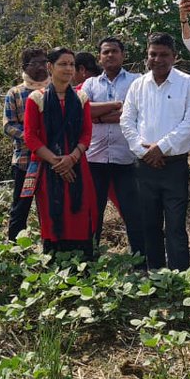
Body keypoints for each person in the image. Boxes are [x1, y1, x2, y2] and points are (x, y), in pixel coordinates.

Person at [120, 33, 190, 270]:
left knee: (175, 226)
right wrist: (145, 152)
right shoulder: (138, 85)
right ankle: (155, 276)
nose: (158, 59)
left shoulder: (187, 83)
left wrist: (161, 148)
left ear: (174, 57)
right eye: (153, 54)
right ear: (147, 56)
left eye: (164, 54)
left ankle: (178, 279)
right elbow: (127, 121)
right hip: (144, 167)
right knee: (149, 224)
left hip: (174, 165)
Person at [23, 48, 97, 259]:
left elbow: (86, 134)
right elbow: (30, 136)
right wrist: (57, 162)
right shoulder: (36, 99)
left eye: (71, 64)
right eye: (63, 64)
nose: (68, 68)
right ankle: (55, 264)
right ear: (50, 67)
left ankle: (82, 264)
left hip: (77, 167)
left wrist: (72, 158)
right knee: (53, 212)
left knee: (80, 212)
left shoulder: (81, 97)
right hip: (49, 168)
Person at [81, 37, 143, 253]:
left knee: (132, 209)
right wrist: (117, 107)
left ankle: (139, 259)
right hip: (95, 158)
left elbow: (135, 113)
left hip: (125, 158)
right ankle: (90, 256)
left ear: (123, 55)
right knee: (92, 211)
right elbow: (83, 111)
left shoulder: (136, 81)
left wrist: (99, 116)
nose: (110, 55)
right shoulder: (90, 83)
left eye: (114, 51)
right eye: (105, 52)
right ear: (99, 57)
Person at [2, 47, 49, 239]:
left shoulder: (54, 90)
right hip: (25, 160)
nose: (41, 67)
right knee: (21, 206)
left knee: (49, 205)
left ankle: (51, 244)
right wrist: (32, 137)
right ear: (24, 67)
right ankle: (13, 246)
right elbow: (8, 125)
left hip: (52, 160)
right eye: (35, 63)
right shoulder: (15, 93)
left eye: (43, 62)